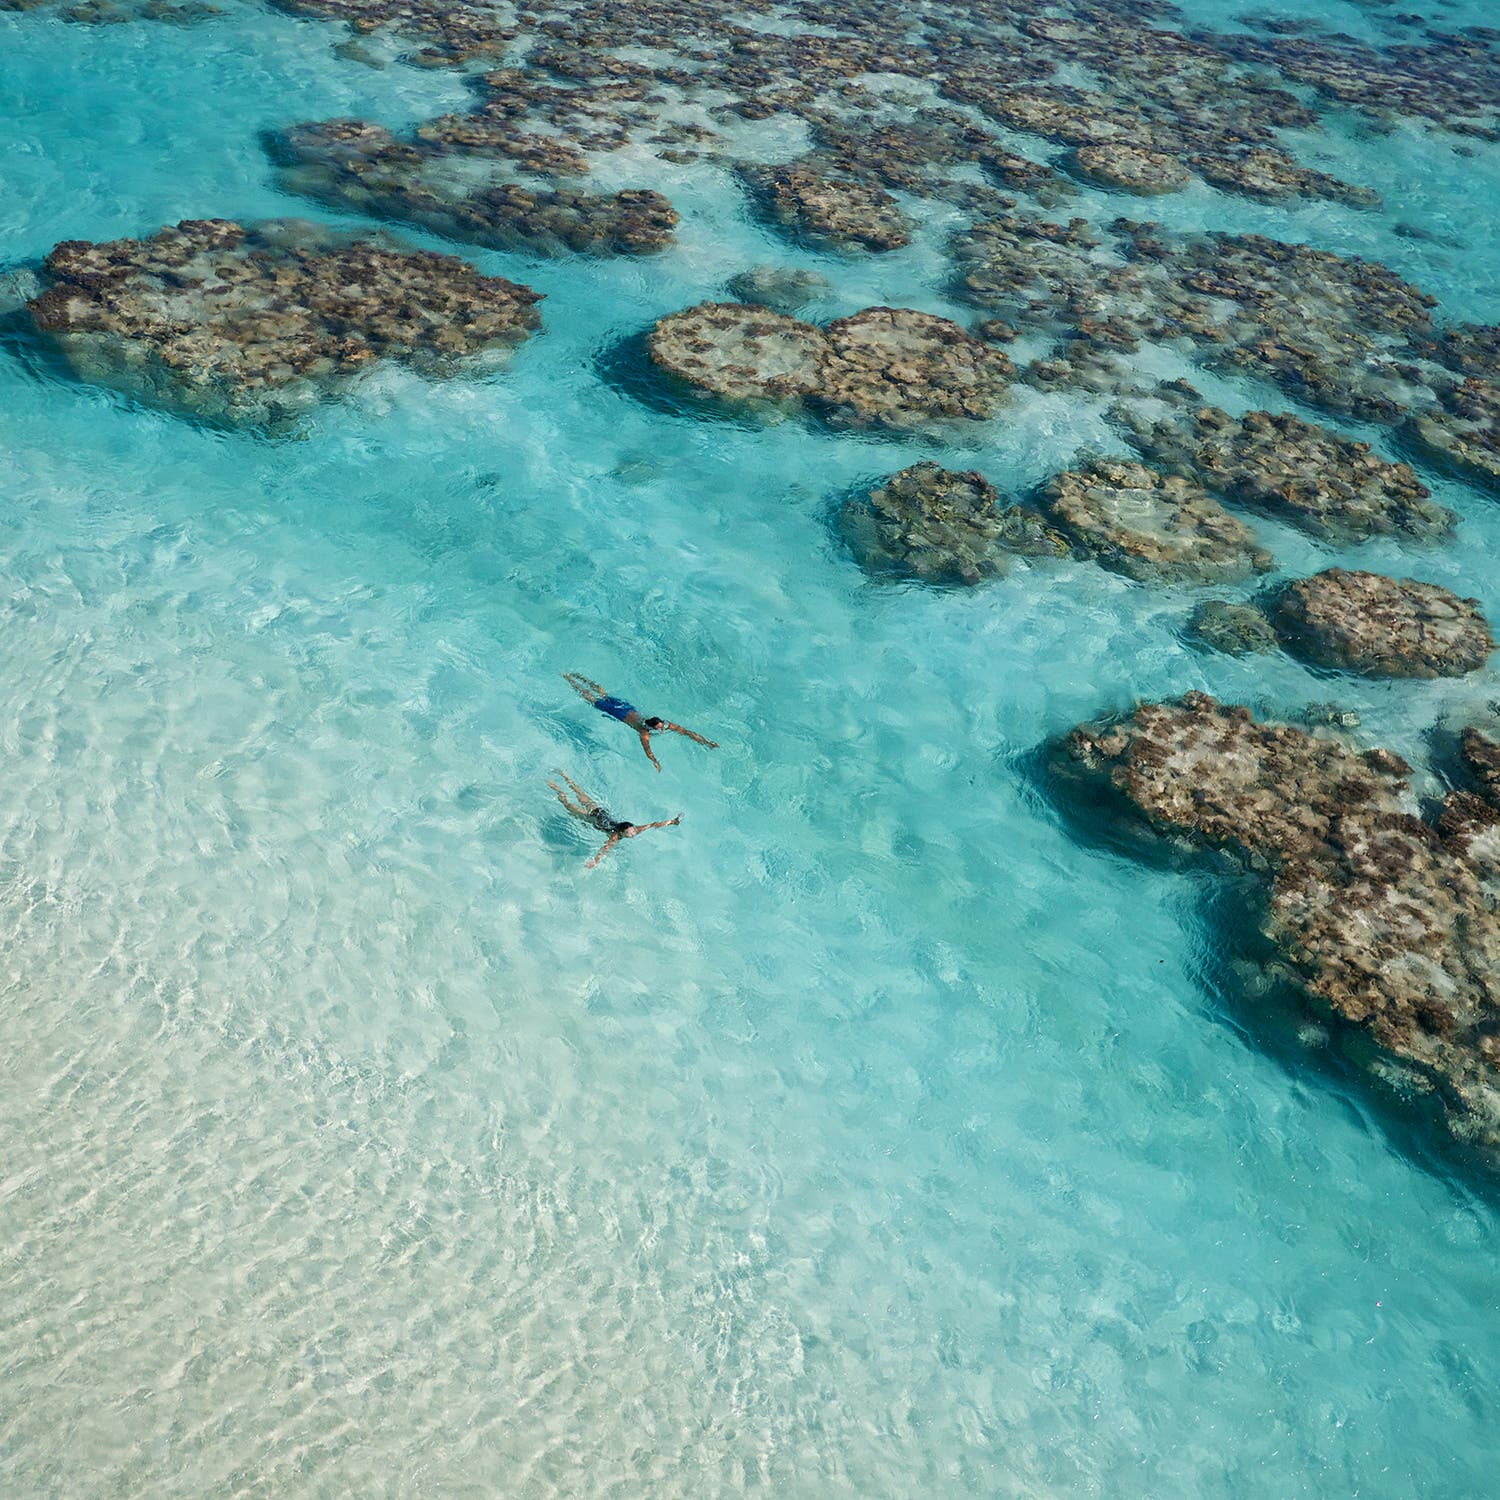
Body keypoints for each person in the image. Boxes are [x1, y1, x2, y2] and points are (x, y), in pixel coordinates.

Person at [563, 672, 718, 772]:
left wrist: (706, 742)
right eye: (659, 728)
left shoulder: (664, 724)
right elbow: (647, 750)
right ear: (652, 727)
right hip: (619, 713)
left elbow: (686, 732)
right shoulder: (644, 733)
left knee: (603, 693)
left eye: (662, 726)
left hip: (627, 707)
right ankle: (570, 680)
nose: (662, 729)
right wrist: (655, 761)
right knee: (591, 697)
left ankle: (577, 676)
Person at [547, 771, 681, 868]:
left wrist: (671, 822)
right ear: (622, 832)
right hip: (593, 816)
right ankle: (557, 788)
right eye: (629, 833)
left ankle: (565, 775)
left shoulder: (636, 829)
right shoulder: (615, 836)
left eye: (632, 831)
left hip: (600, 811)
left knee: (580, 793)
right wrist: (595, 861)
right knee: (567, 804)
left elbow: (653, 824)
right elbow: (605, 848)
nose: (633, 834)